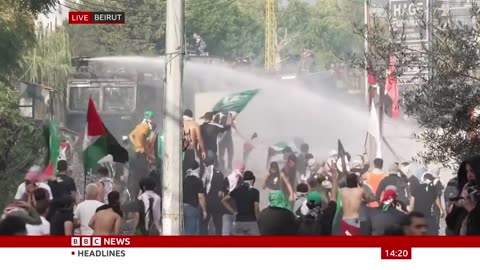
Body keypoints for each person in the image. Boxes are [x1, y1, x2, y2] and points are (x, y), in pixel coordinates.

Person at [297, 165, 338, 235]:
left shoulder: (300, 219)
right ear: (320, 203)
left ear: (307, 204)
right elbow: (333, 197)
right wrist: (334, 177)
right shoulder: (327, 216)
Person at [446, 157, 480, 235]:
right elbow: (450, 224)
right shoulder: (466, 193)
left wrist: (472, 209)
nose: (469, 175)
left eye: (472, 171)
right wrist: (457, 205)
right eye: (467, 171)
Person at [222, 171, 260, 235]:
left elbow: (224, 200)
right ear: (252, 179)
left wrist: (234, 212)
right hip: (251, 222)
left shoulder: (237, 190)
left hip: (239, 221)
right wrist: (258, 219)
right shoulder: (255, 191)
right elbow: (256, 208)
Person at [129, 111, 155, 190]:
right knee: (143, 174)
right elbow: (144, 136)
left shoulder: (139, 126)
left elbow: (130, 135)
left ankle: (136, 191)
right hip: (143, 153)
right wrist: (148, 153)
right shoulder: (147, 127)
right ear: (151, 118)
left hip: (137, 153)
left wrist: (136, 144)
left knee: (136, 175)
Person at [201, 157, 225, 235]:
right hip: (216, 202)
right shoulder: (219, 174)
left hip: (205, 202)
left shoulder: (202, 174)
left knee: (203, 225)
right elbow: (221, 192)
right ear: (214, 163)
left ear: (204, 164)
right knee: (218, 225)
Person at [183, 161, 207, 235]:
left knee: (185, 229)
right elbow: (201, 197)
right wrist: (204, 210)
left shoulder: (184, 180)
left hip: (182, 206)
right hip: (192, 208)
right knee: (192, 231)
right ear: (197, 169)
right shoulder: (198, 181)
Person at [222, 161, 245, 235]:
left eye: (243, 169)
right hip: (228, 212)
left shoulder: (243, 181)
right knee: (228, 232)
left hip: (238, 213)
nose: (242, 171)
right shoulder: (227, 179)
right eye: (241, 169)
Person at [183, 109, 207, 174]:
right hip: (190, 150)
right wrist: (203, 151)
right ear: (191, 116)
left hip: (180, 151)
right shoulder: (195, 125)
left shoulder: (179, 123)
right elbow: (199, 138)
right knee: (191, 169)